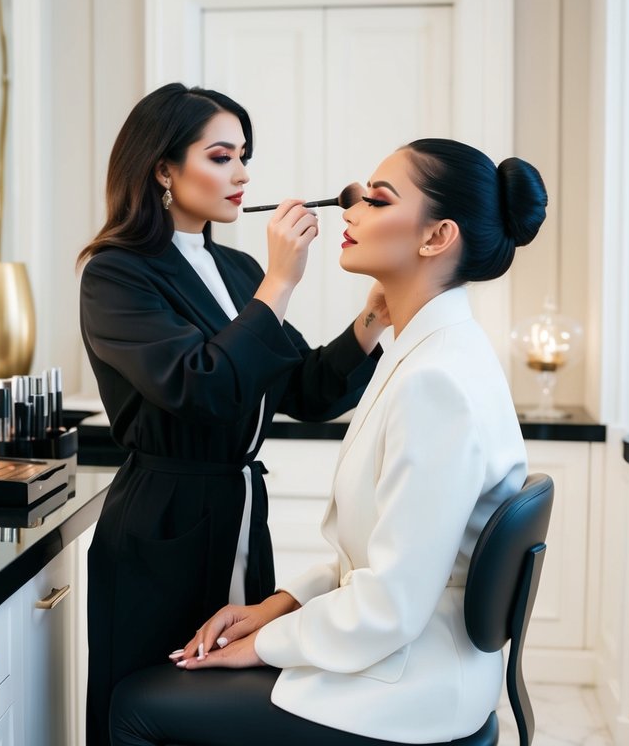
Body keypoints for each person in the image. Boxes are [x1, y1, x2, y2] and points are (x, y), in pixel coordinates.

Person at [106, 138, 549, 745]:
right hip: (406, 653)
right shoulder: (437, 351)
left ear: (436, 237)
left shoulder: (434, 382)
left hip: (409, 683)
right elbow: (378, 560)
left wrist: (265, 644)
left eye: (378, 198)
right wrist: (281, 604)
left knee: (133, 706)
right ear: (162, 170)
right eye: (219, 155)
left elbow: (389, 602)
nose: (351, 209)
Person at [78, 83, 388, 746]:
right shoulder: (116, 275)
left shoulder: (238, 265)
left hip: (240, 508)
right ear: (163, 168)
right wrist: (280, 283)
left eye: (243, 155)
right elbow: (199, 387)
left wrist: (371, 316)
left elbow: (305, 392)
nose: (242, 174)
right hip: (163, 518)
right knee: (148, 697)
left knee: (229, 693)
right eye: (220, 156)